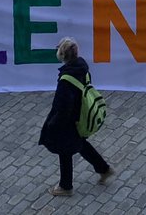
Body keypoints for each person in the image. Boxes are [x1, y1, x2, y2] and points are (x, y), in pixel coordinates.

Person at [39, 37, 114, 197]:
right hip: (80, 116)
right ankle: (103, 169)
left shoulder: (66, 80)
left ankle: (66, 186)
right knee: (79, 144)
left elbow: (63, 106)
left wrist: (52, 125)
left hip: (69, 122)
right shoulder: (82, 68)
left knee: (65, 149)